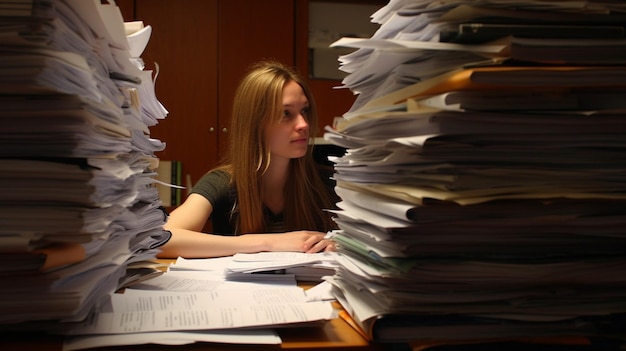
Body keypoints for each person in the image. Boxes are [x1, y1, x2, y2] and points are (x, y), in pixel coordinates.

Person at [158, 60, 338, 258]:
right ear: (255, 124)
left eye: (304, 111)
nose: (303, 124)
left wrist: (340, 244)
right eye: (286, 114)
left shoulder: (327, 183)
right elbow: (160, 238)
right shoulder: (222, 182)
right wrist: (268, 242)